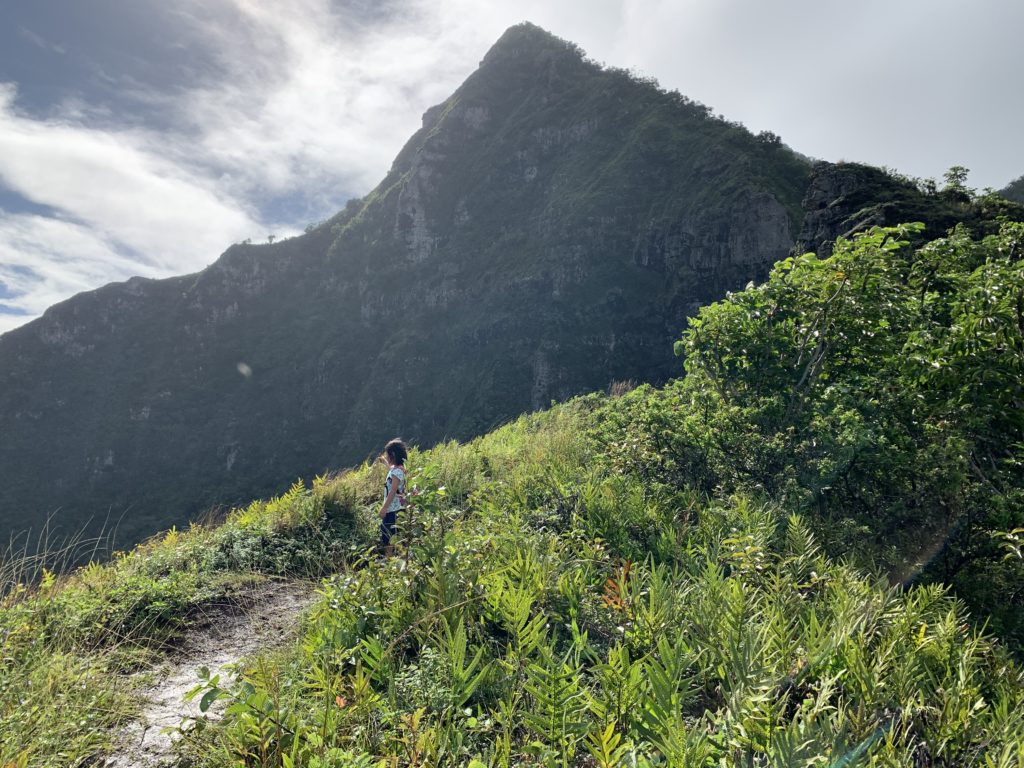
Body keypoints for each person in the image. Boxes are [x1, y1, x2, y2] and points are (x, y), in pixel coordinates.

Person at [378, 438, 408, 555]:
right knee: (394, 534)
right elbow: (391, 469)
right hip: (397, 508)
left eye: (388, 455)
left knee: (388, 535)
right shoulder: (399, 469)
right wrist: (385, 462)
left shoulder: (397, 472)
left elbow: (393, 490)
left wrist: (384, 508)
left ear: (393, 455)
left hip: (392, 509)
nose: (387, 456)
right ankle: (398, 557)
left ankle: (389, 559)